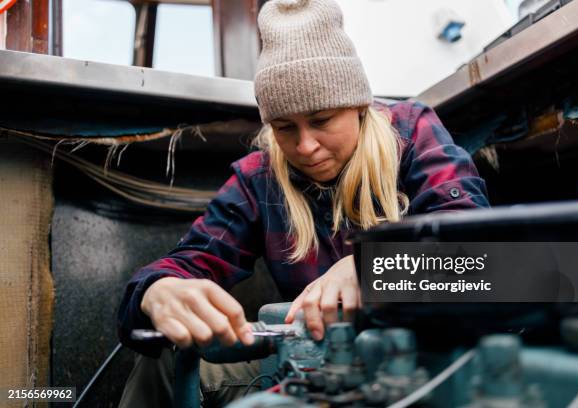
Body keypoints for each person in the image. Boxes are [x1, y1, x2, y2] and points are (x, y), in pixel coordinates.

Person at [117, 0, 490, 405]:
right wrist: (157, 291)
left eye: (321, 119)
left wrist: (378, 266)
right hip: (316, 361)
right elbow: (189, 261)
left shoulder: (412, 133)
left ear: (358, 106)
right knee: (165, 362)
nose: (306, 146)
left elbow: (478, 245)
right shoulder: (258, 178)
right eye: (284, 127)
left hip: (428, 358)